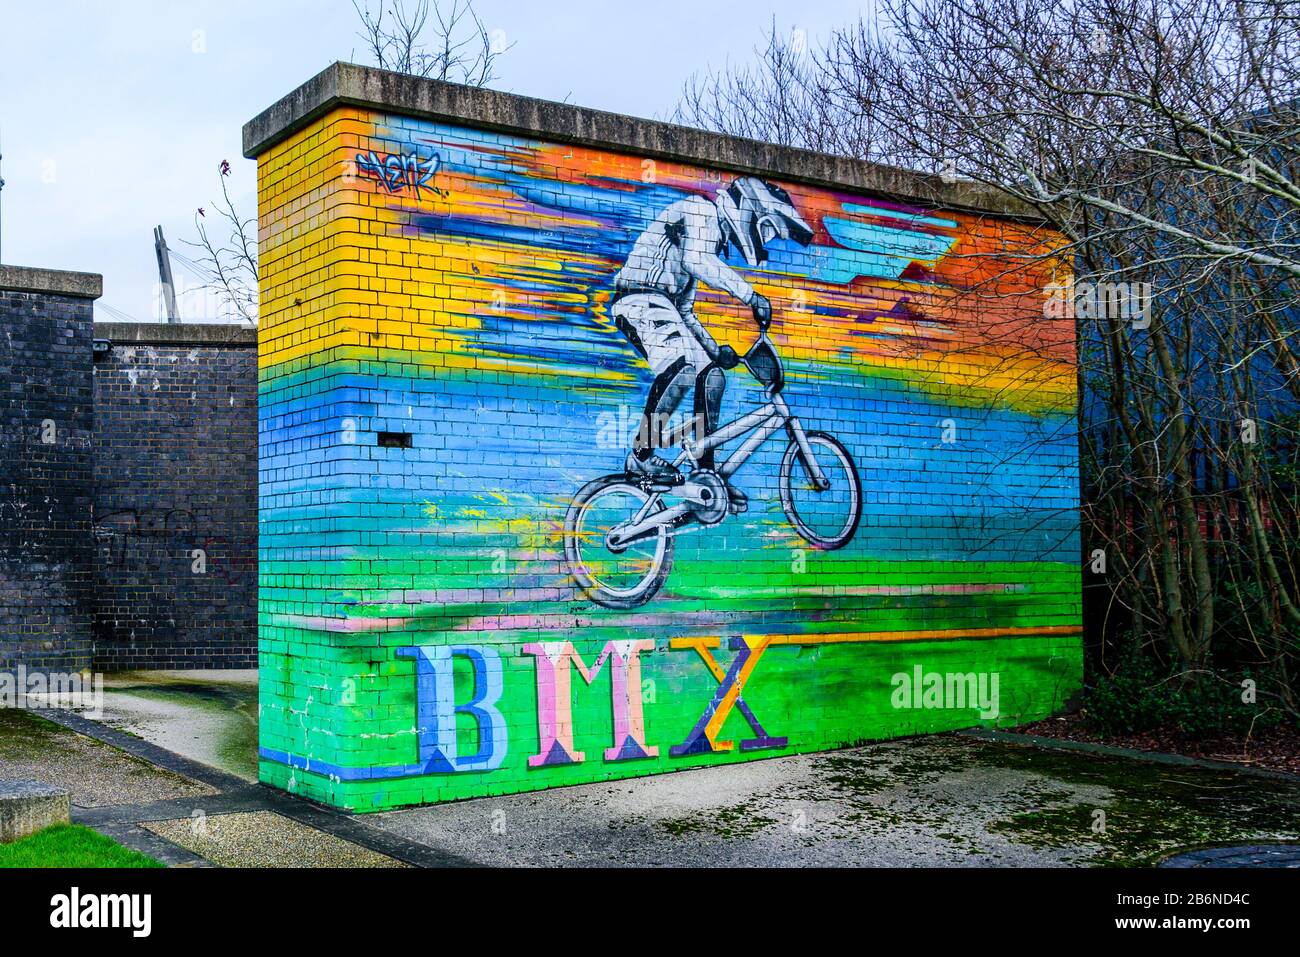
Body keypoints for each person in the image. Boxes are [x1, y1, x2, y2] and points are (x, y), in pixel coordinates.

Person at [611, 176, 813, 511]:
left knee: (713, 375)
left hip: (663, 305)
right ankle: (641, 456)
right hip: (639, 298)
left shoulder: (707, 240)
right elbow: (698, 262)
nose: (762, 241)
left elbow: (685, 311)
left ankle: (706, 475)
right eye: (765, 231)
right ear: (749, 211)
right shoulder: (701, 210)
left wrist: (714, 350)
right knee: (682, 370)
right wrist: (750, 296)